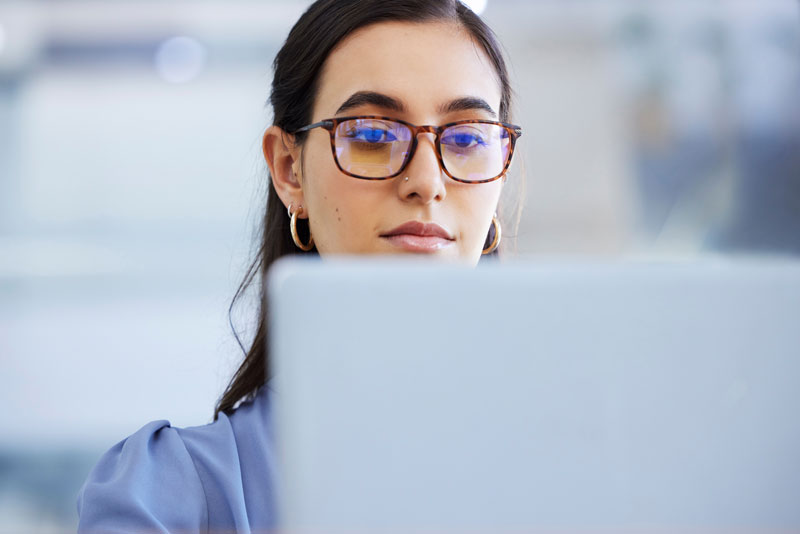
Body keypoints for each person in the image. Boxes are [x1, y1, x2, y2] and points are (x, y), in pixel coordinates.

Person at [76, 0, 522, 532]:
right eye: (375, 135)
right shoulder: (168, 497)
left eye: (468, 138)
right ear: (289, 169)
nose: (428, 181)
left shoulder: (572, 464)